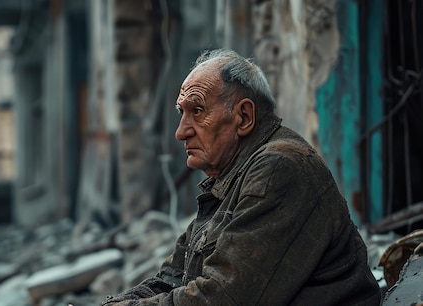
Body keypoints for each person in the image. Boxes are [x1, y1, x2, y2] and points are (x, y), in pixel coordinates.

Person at [101, 49, 381, 305]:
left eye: (197, 111)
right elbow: (172, 277)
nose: (181, 131)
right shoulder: (229, 179)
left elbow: (222, 298)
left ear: (244, 117)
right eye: (181, 112)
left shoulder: (279, 168)